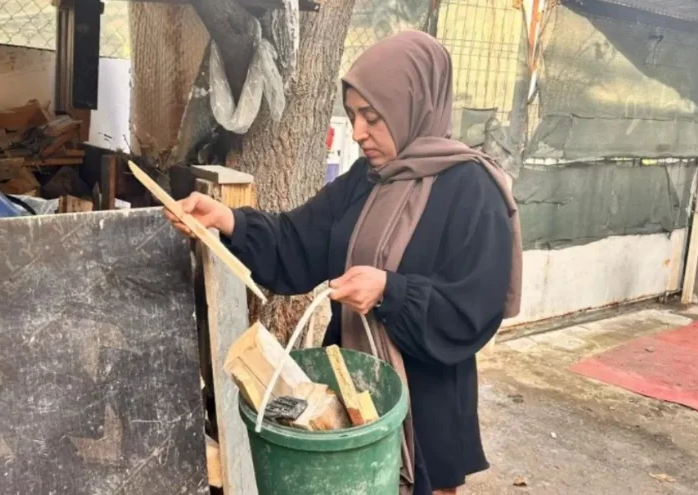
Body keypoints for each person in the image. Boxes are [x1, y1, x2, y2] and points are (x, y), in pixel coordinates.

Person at [165, 31, 522, 495]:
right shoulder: (366, 180)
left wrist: (391, 291)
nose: (357, 133)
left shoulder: (471, 190)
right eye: (353, 116)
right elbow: (299, 240)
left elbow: (473, 307)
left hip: (428, 408)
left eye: (372, 118)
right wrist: (228, 220)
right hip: (355, 385)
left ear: (413, 106)